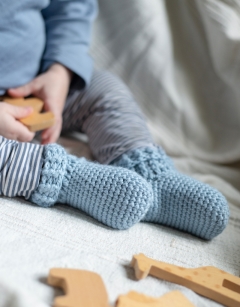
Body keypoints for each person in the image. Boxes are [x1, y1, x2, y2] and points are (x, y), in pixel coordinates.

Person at [0, 0, 229, 240]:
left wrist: (59, 71)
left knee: (104, 88)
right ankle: (64, 179)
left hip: (36, 89)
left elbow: (70, 7)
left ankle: (150, 176)